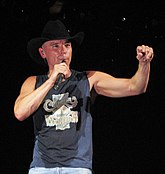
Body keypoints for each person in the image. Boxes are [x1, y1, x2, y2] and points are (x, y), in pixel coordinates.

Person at [14, 19, 154, 174]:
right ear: (42, 52)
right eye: (55, 46)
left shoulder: (88, 79)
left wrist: (144, 65)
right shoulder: (33, 82)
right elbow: (20, 112)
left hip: (77, 167)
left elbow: (135, 87)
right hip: (42, 167)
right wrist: (51, 80)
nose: (63, 51)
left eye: (67, 45)